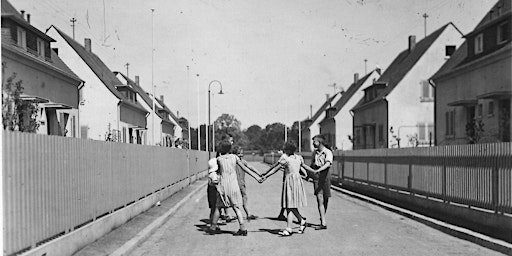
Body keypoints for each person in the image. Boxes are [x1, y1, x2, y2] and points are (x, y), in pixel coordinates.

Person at [208, 140, 264, 236]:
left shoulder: (219, 159)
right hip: (234, 185)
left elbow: (217, 172)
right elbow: (245, 168)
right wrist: (257, 177)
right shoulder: (235, 157)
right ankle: (242, 228)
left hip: (223, 186)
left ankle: (213, 227)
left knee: (218, 207)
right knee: (236, 207)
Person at [263, 141, 308, 236]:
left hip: (290, 182)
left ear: (288, 149)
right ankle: (301, 221)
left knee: (289, 205)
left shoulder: (286, 158)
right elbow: (303, 169)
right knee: (290, 205)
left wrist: (266, 176)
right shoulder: (298, 158)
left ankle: (289, 228)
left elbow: (276, 169)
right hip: (296, 182)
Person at [302, 134, 333, 230]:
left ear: (320, 142)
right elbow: (312, 164)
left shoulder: (328, 152)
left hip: (325, 176)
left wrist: (319, 170)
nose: (313, 143)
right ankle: (323, 222)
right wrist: (308, 175)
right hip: (316, 177)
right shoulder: (314, 153)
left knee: (325, 198)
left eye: (314, 141)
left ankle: (322, 217)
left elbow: (328, 164)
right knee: (320, 199)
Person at [232, 145, 260, 221]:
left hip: (242, 184)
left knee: (245, 197)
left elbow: (250, 167)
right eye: (239, 153)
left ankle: (248, 214)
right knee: (234, 200)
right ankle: (233, 215)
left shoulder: (243, 161)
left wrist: (259, 173)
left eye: (242, 153)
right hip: (234, 184)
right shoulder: (233, 162)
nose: (241, 155)